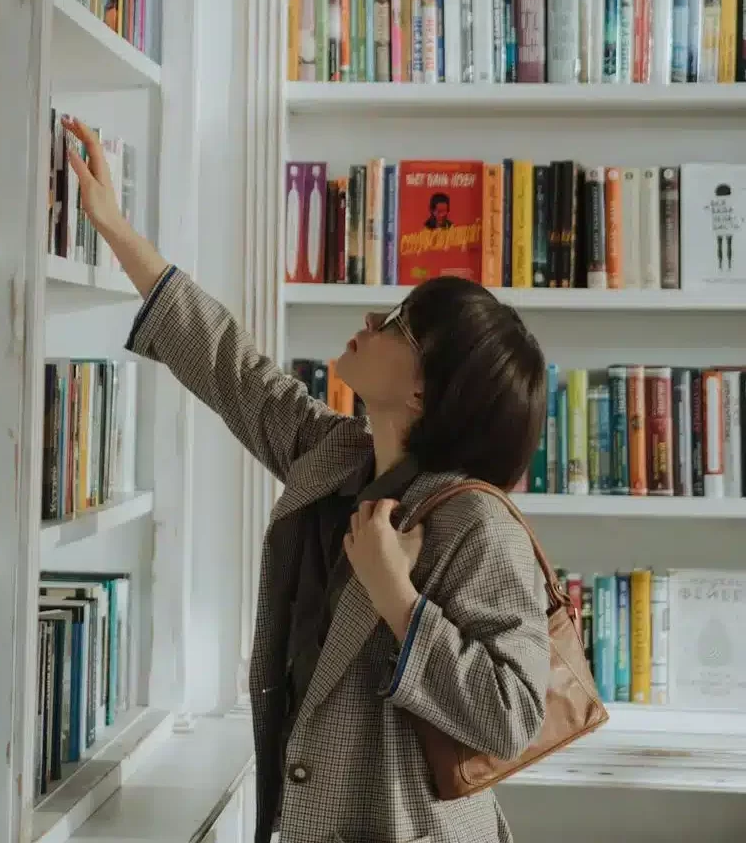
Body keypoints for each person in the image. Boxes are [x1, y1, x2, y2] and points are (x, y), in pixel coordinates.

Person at [66, 119, 551, 843]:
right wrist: (114, 227)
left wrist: (399, 599)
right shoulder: (337, 455)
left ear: (424, 389)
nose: (369, 320)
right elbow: (233, 369)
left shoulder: (477, 526)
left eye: (396, 324)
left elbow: (512, 716)